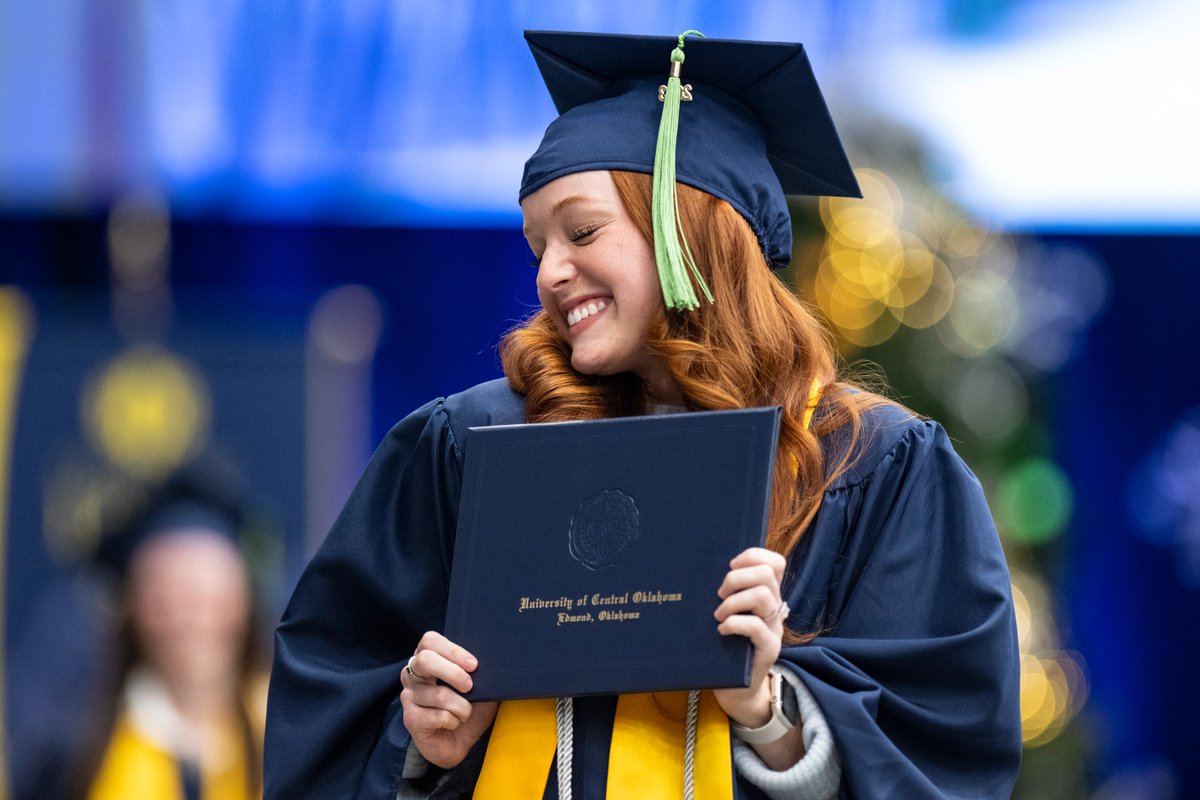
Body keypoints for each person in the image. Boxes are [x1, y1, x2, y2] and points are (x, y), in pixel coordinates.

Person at [264, 30, 1021, 799]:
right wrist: (422, 745)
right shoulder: (471, 447)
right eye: (537, 247)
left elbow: (942, 754)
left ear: (690, 226)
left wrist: (772, 716)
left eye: (582, 230)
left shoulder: (871, 464)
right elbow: (331, 718)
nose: (552, 272)